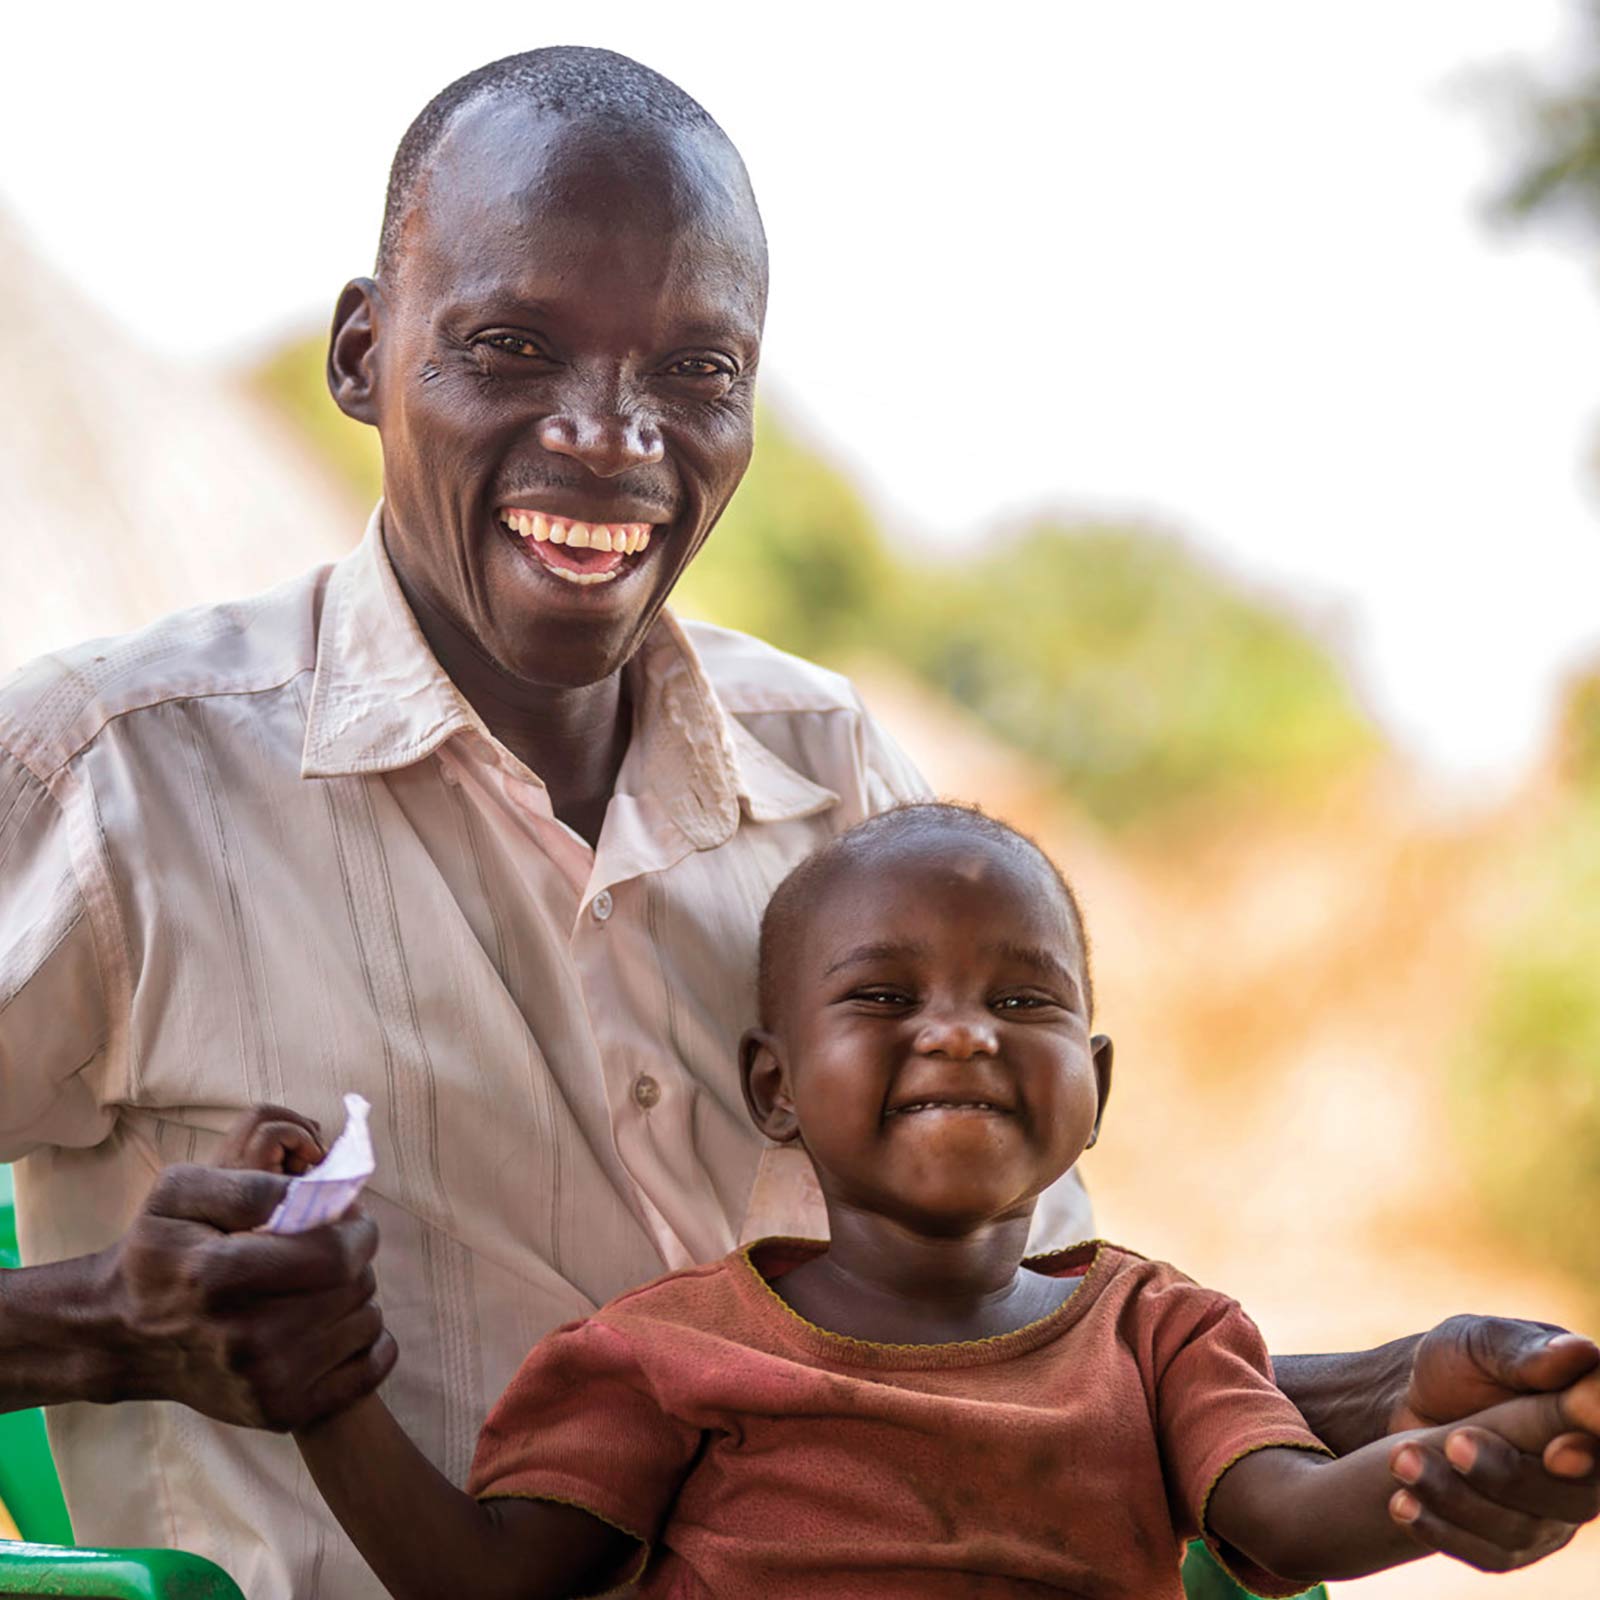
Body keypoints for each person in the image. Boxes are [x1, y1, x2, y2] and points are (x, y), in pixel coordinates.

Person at [0, 45, 1594, 1599]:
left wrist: (1387, 1409)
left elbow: (1003, 1368)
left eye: (694, 370)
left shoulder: (842, 787)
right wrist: (106, 1329)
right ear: (363, 353)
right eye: (510, 346)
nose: (611, 434)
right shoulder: (110, 783)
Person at [244, 802, 1600, 1598]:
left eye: (1023, 1001)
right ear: (775, 1088)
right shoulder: (666, 1352)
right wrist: (323, 1382)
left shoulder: (1161, 1336)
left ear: (1095, 1087)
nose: (961, 1035)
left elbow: (1287, 1518)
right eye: (886, 999)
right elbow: (488, 1583)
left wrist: (1500, 1452)